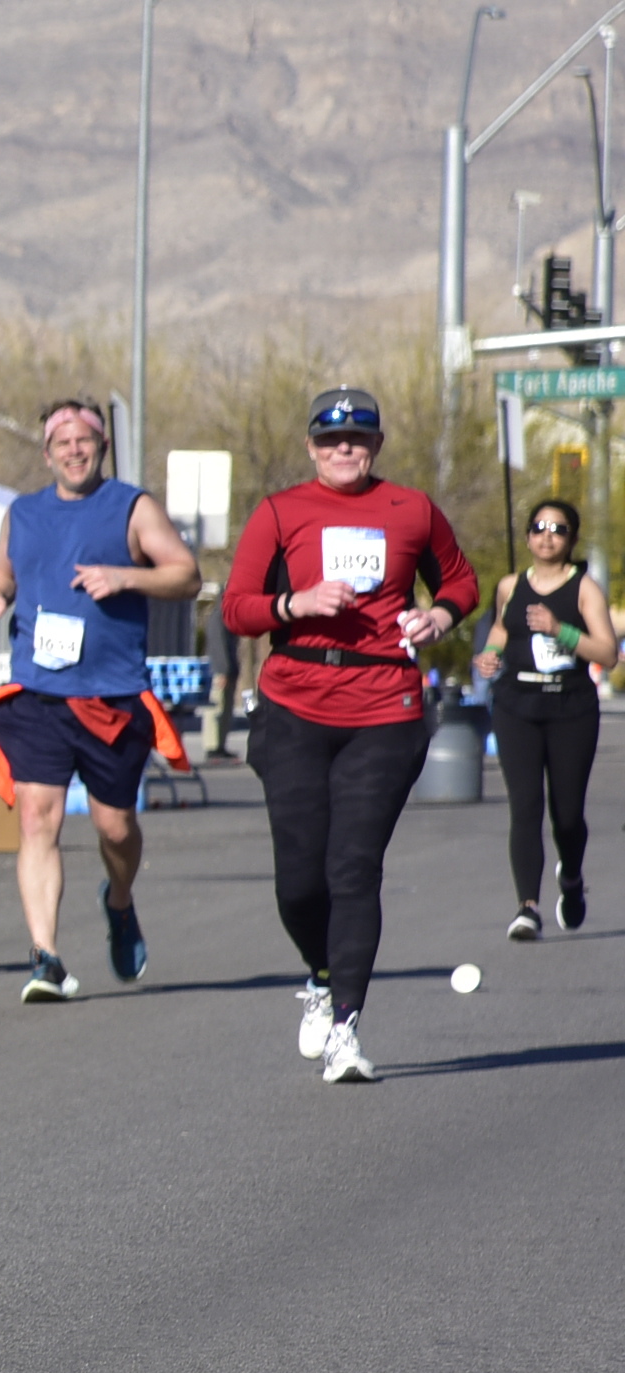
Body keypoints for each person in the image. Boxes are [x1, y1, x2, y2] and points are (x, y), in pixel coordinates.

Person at [218, 387, 475, 1084]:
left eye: (358, 439)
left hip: (384, 706)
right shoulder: (280, 512)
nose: (344, 450)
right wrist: (293, 603)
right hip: (295, 704)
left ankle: (346, 1028)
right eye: (331, 439)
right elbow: (236, 608)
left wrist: (439, 618)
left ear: (376, 446)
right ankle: (321, 972)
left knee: (354, 868)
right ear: (311, 447)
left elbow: (460, 582)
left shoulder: (411, 509)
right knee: (300, 881)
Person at [0, 399, 198, 1001]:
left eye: (84, 440)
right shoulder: (22, 512)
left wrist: (126, 576)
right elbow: (1, 571)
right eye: (62, 442)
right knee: (37, 819)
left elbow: (186, 574)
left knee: (114, 827)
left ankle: (118, 900)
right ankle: (45, 958)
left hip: (111, 697)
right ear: (47, 453)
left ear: (101, 448)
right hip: (38, 694)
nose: (74, 450)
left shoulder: (132, 507)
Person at [468, 497, 615, 939]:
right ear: (528, 535)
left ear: (572, 539)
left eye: (558, 529)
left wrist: (559, 629)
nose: (547, 537)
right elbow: (501, 627)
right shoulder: (510, 585)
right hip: (517, 705)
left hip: (570, 707)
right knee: (525, 806)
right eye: (539, 527)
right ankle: (527, 908)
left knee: (566, 815)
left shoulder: (584, 589)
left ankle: (570, 877)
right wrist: (490, 655)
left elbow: (607, 653)